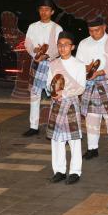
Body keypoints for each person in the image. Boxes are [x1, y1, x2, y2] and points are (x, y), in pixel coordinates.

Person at [76, 17, 108, 161]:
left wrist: (100, 72)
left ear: (104, 27)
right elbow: (78, 63)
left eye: (97, 30)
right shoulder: (84, 43)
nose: (93, 33)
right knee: (91, 117)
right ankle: (92, 148)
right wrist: (86, 68)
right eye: (90, 31)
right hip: (90, 84)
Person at [45, 31, 86, 184]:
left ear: (72, 47)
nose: (62, 48)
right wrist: (53, 92)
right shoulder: (53, 64)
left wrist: (65, 92)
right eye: (60, 45)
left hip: (70, 105)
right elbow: (48, 84)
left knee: (74, 139)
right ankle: (59, 170)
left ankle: (75, 171)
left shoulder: (79, 65)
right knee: (56, 139)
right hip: (56, 104)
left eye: (66, 45)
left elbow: (81, 87)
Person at [24, 0, 63, 136]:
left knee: (54, 94)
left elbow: (59, 47)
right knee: (35, 95)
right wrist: (35, 53)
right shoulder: (32, 26)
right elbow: (28, 44)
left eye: (47, 10)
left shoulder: (57, 28)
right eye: (41, 9)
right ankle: (33, 126)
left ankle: (54, 125)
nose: (44, 12)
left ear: (52, 12)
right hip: (36, 62)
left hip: (51, 63)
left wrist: (46, 55)